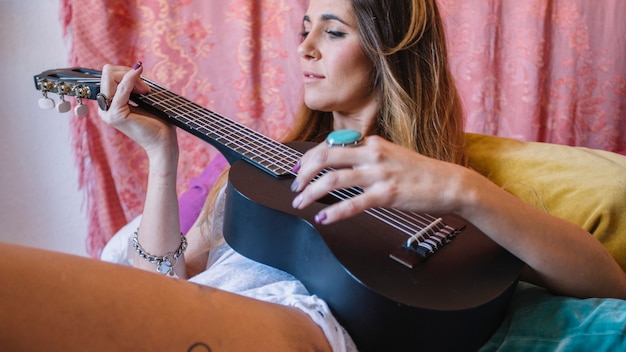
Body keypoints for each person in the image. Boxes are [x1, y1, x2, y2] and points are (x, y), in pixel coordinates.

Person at [1, 0, 625, 351]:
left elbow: (608, 283)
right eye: (304, 30)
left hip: (302, 333)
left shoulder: (441, 184)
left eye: (332, 31)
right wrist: (162, 158)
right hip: (212, 309)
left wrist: (465, 189)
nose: (304, 49)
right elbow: (162, 281)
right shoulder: (255, 167)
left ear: (390, 51)